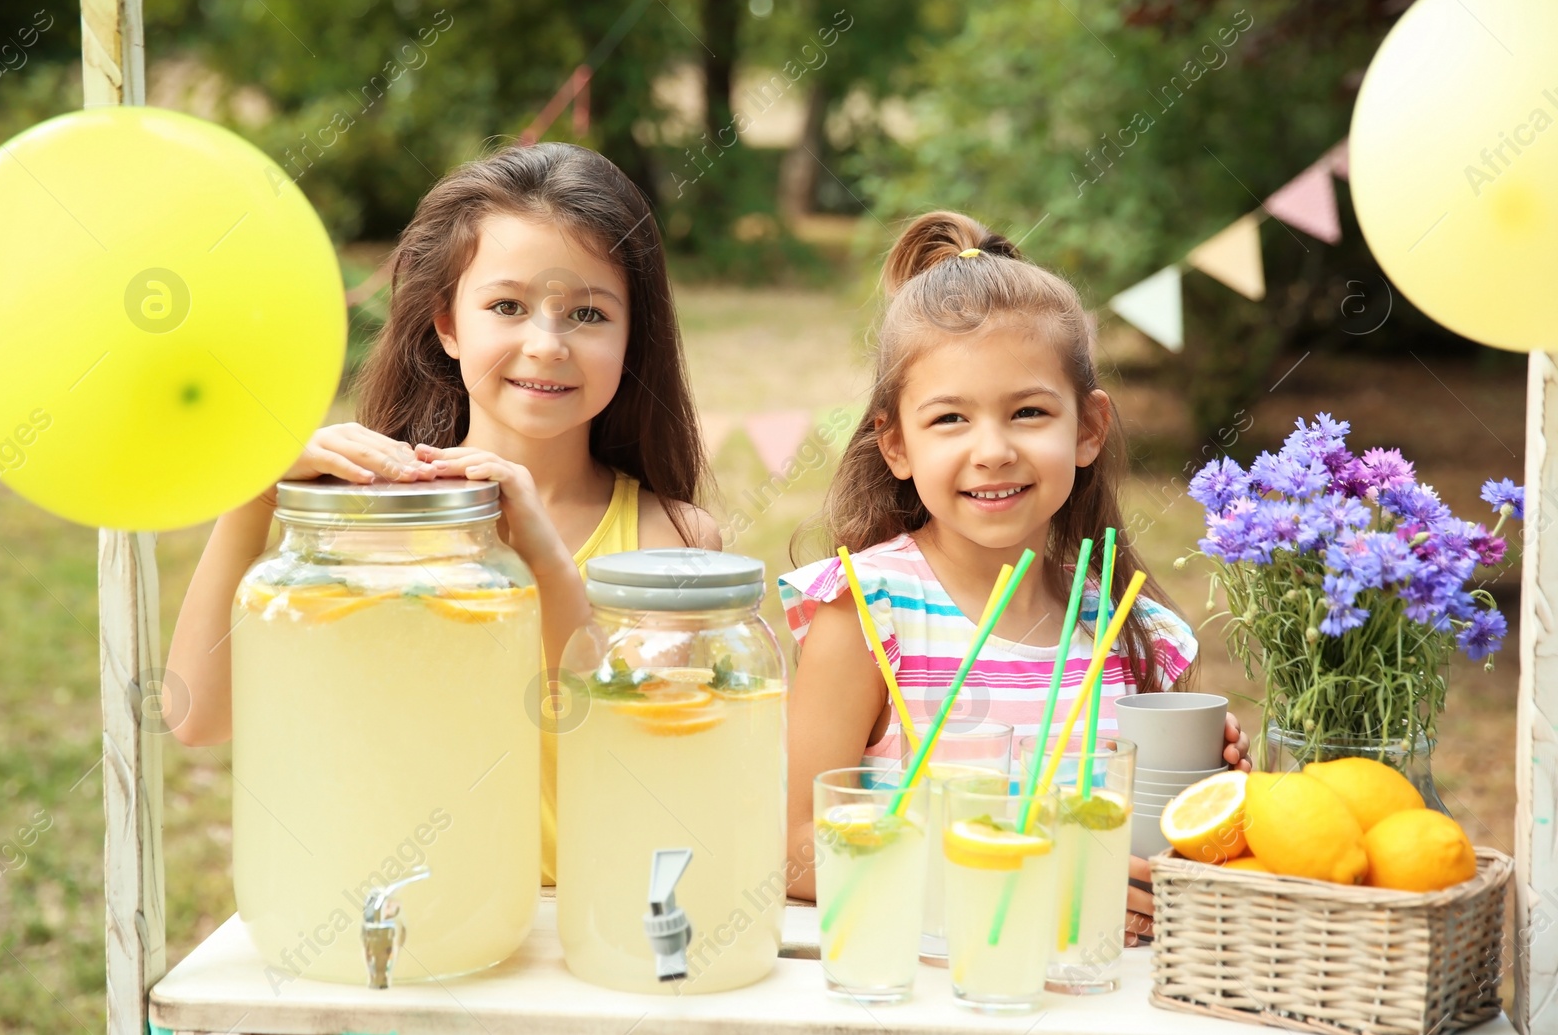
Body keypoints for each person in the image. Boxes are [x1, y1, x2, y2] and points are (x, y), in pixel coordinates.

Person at [163, 141, 721, 886]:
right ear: (447, 325)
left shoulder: (673, 539)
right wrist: (256, 496)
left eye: (588, 312)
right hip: (405, 929)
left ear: (632, 336)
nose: (546, 344)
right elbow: (199, 716)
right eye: (507, 306)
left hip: (582, 938)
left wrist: (546, 556)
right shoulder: (368, 524)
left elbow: (627, 745)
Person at [779, 211, 1249, 942]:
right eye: (950, 419)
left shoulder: (1124, 627)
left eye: (1028, 411)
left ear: (1088, 427)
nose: (993, 450)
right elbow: (795, 851)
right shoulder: (870, 615)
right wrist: (1045, 874)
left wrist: (1211, 799)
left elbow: (1157, 857)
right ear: (896, 441)